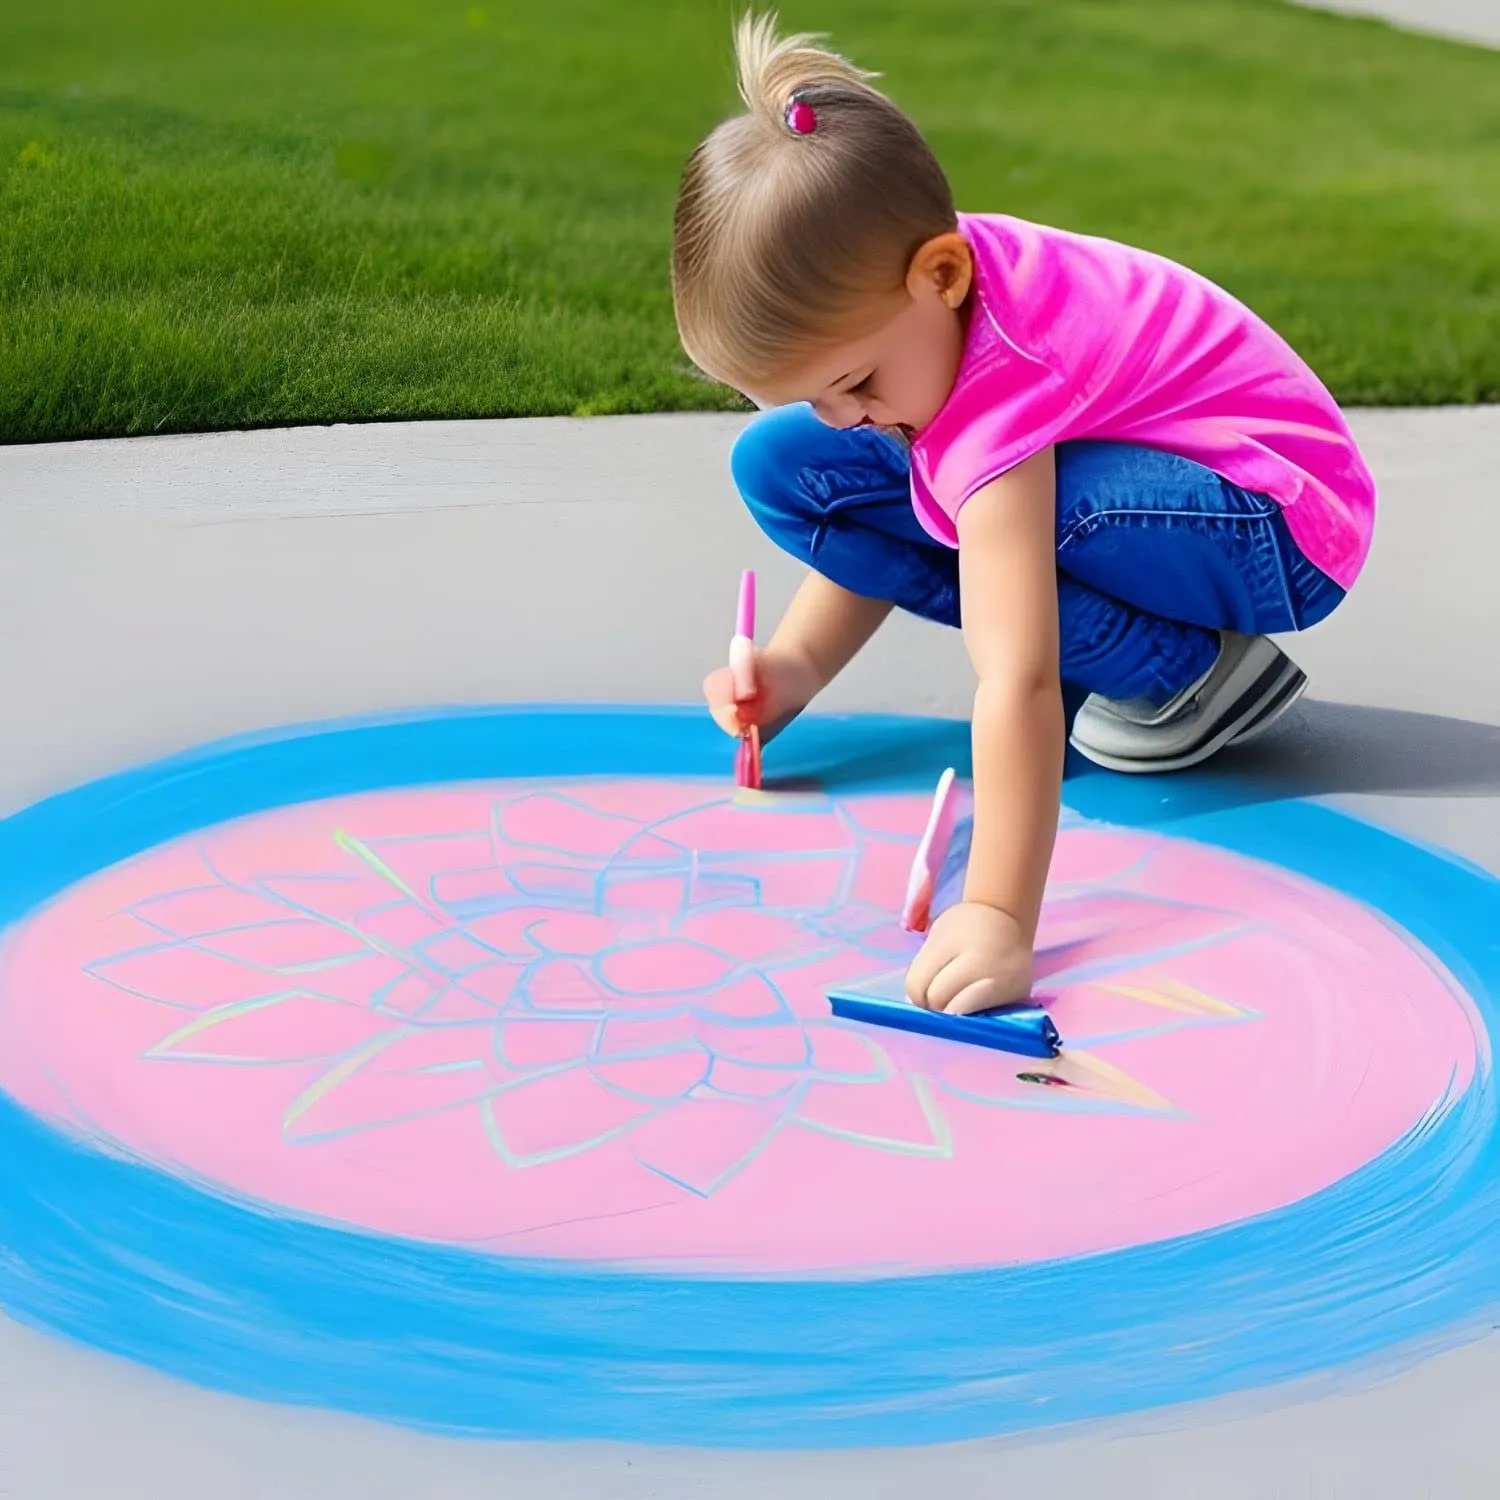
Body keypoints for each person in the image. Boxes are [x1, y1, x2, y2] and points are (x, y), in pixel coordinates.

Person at [672, 15, 1375, 1018]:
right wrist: (791, 669)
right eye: (817, 394)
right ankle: (1171, 658)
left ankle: (1184, 675)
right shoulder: (918, 306)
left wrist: (998, 914)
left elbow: (1019, 672)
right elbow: (894, 513)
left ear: (943, 276)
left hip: (1279, 517)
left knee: (1012, 516)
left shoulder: (1000, 382)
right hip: (1171, 487)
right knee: (787, 465)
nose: (847, 416)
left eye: (855, 383)